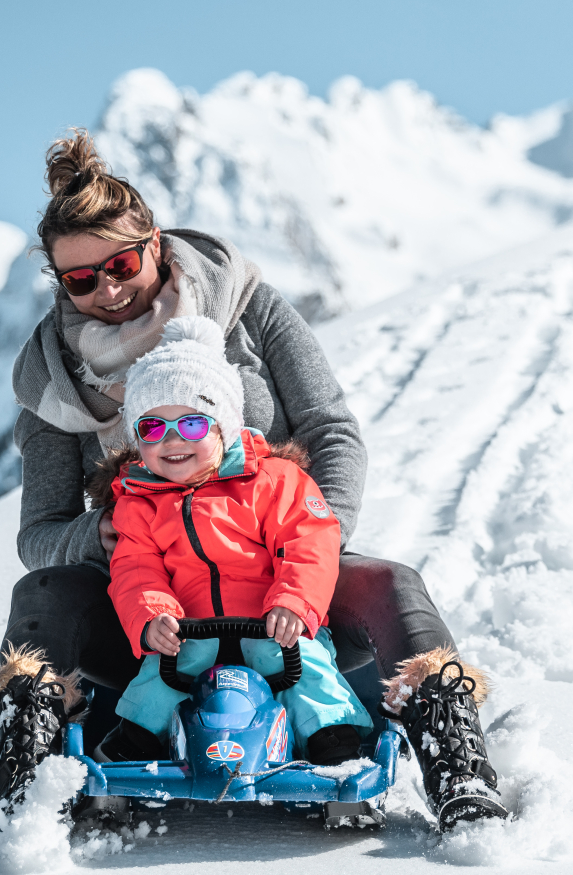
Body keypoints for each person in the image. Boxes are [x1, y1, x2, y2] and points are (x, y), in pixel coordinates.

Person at [0, 128, 507, 830]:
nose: (106, 288)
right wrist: (103, 536)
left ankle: (455, 762)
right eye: (80, 278)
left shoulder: (246, 304)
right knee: (42, 592)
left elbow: (329, 428)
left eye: (122, 264)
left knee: (392, 584)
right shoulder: (51, 382)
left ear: (156, 245)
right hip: (152, 608)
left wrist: (307, 536)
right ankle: (32, 771)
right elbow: (39, 535)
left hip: (288, 589)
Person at [94, 315, 373, 766]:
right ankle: (136, 740)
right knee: (161, 676)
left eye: (192, 425)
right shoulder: (138, 501)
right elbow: (135, 569)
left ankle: (333, 738)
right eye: (152, 428)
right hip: (190, 628)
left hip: (269, 622)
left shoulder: (274, 481)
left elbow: (309, 543)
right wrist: (153, 617)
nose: (172, 441)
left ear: (223, 425)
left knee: (303, 666)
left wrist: (294, 604)